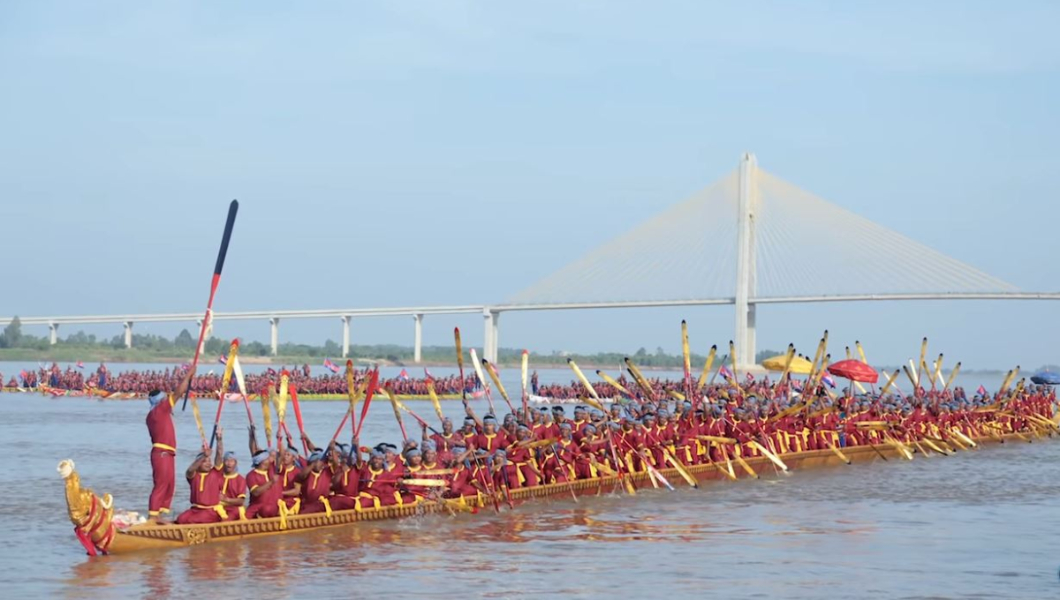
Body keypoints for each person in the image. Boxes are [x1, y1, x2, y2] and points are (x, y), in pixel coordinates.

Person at [145, 365, 196, 524]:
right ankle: (153, 517)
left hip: (166, 453)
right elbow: (179, 393)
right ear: (161, 400)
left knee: (169, 484)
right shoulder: (159, 410)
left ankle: (159, 515)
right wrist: (188, 375)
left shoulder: (154, 413)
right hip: (162, 453)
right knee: (161, 485)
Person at [174, 432, 225, 525]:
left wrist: (219, 440)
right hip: (195, 509)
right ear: (199, 463)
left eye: (209, 461)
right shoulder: (193, 475)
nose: (208, 463)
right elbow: (190, 469)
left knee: (191, 520)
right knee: (181, 519)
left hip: (210, 511)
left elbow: (219, 455)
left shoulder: (215, 473)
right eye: (205, 462)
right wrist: (204, 456)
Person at [219, 449, 247, 521]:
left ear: (235, 463)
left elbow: (241, 501)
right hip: (219, 508)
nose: (229, 463)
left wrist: (226, 499)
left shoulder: (240, 479)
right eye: (227, 461)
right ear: (223, 462)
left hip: (234, 508)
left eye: (231, 461)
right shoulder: (218, 477)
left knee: (226, 520)